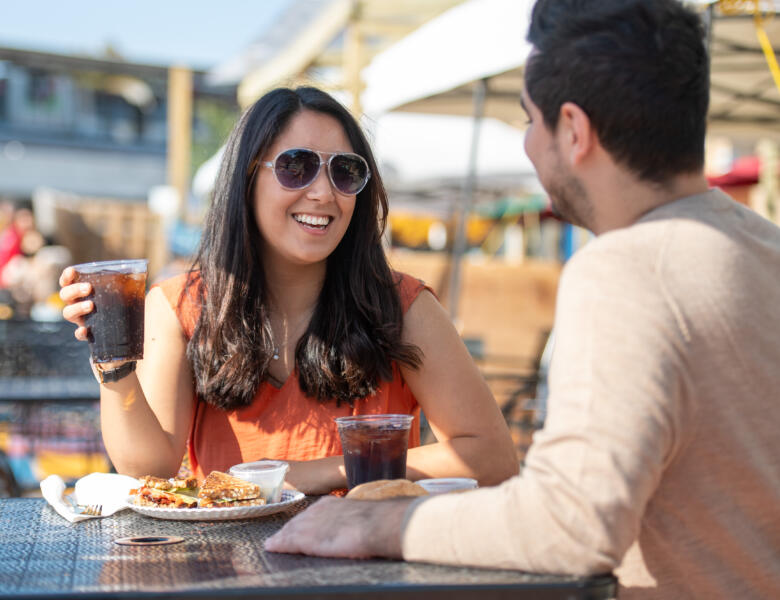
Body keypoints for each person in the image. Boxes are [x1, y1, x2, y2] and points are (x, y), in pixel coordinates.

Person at [264, 1, 780, 598]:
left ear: (575, 131)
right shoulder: (766, 249)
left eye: (530, 122)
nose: (530, 148)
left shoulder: (624, 269)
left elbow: (571, 525)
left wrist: (375, 522)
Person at [58, 86, 519, 494]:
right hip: (226, 575)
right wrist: (114, 365)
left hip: (362, 575)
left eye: (344, 171)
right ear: (246, 179)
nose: (322, 192)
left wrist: (317, 471)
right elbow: (148, 470)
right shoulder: (179, 306)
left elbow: (493, 459)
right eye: (296, 167)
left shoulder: (404, 307)